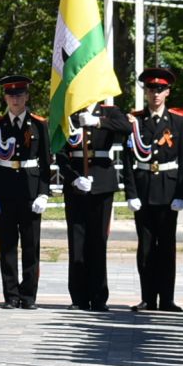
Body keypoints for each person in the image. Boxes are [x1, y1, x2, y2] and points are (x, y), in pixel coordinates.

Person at [124, 64, 183, 312]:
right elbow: (128, 161)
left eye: (160, 89)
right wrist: (130, 193)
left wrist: (181, 194)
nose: (155, 93)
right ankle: (147, 298)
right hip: (143, 190)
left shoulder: (177, 122)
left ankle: (167, 299)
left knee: (167, 247)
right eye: (151, 88)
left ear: (168, 92)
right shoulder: (136, 121)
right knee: (145, 247)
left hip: (167, 191)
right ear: (145, 92)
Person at [0, 72, 51, 309]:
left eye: (19, 94)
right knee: (8, 246)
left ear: (27, 96)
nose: (15, 99)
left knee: (31, 246)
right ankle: (11, 295)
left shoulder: (40, 124)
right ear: (5, 97)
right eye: (11, 95)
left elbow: (46, 162)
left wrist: (44, 192)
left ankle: (29, 295)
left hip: (31, 190)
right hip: (5, 191)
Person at [58, 98, 128, 311]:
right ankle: (78, 297)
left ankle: (99, 296)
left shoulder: (110, 112)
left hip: (102, 182)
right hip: (77, 182)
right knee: (77, 240)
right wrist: (72, 177)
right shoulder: (69, 113)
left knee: (99, 240)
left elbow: (126, 127)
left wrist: (97, 122)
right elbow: (60, 153)